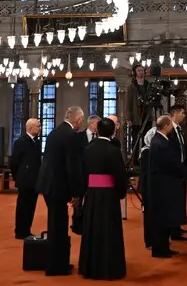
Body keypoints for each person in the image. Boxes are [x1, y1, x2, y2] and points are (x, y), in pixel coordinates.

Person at [36, 106, 85, 276]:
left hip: (49, 184)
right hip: (57, 186)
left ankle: (59, 263)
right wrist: (76, 192)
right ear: (77, 120)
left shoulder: (55, 132)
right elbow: (72, 166)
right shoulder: (70, 135)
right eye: (81, 120)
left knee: (57, 225)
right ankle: (56, 266)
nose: (81, 123)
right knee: (58, 227)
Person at [78, 117, 128, 280]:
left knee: (92, 230)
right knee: (109, 231)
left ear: (97, 131)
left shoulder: (88, 149)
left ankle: (90, 267)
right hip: (108, 195)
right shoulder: (113, 150)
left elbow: (83, 174)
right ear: (113, 131)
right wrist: (120, 193)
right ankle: (109, 268)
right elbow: (120, 176)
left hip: (92, 195)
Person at [148, 115, 187, 258]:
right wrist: (184, 173)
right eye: (170, 125)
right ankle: (160, 249)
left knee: (163, 218)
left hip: (163, 185)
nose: (172, 127)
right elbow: (171, 164)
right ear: (165, 126)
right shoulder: (160, 143)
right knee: (161, 219)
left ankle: (164, 247)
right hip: (163, 186)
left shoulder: (160, 140)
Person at [11, 118, 42, 239]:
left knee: (31, 207)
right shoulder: (21, 142)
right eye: (38, 126)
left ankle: (27, 229)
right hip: (24, 180)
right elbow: (14, 162)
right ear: (30, 128)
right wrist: (17, 177)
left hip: (34, 180)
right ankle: (20, 231)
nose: (40, 128)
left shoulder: (36, 142)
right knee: (23, 207)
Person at [167, 104, 187, 242]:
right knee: (174, 201)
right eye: (182, 113)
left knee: (181, 200)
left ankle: (177, 226)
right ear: (175, 114)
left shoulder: (180, 130)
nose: (184, 115)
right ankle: (173, 229)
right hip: (173, 171)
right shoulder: (169, 130)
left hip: (181, 169)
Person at [126, 64, 151, 147]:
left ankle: (144, 157)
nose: (141, 72)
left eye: (142, 70)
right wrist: (129, 117)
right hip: (136, 116)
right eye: (139, 70)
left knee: (146, 138)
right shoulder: (131, 86)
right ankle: (135, 159)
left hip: (147, 114)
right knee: (135, 139)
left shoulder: (148, 85)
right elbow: (128, 102)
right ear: (135, 73)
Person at [138, 129, 155, 249]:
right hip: (149, 186)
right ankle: (150, 241)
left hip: (151, 185)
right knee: (149, 215)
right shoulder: (146, 152)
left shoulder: (148, 151)